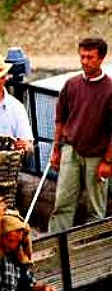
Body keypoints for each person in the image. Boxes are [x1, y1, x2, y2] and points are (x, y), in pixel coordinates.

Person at [48, 37, 112, 233]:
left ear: (101, 58)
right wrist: (56, 150)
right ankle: (56, 243)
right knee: (62, 202)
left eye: (90, 57)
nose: (84, 61)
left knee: (96, 208)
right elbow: (60, 120)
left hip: (97, 155)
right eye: (82, 56)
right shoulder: (71, 84)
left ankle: (92, 248)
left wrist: (108, 161)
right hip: (71, 150)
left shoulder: (110, 89)